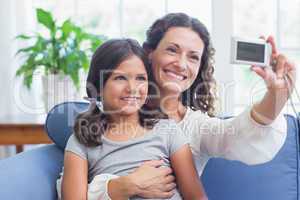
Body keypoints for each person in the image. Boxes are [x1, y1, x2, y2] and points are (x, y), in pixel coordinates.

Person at [84, 13, 296, 200]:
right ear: (150, 52)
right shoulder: (113, 114)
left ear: (199, 68)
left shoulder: (194, 127)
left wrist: (276, 95)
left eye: (193, 57)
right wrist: (120, 187)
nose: (182, 64)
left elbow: (241, 137)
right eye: (172, 50)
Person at [59, 38, 208, 200]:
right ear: (98, 87)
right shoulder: (82, 141)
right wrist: (127, 186)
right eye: (120, 78)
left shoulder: (168, 131)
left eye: (140, 78)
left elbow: (196, 197)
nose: (132, 88)